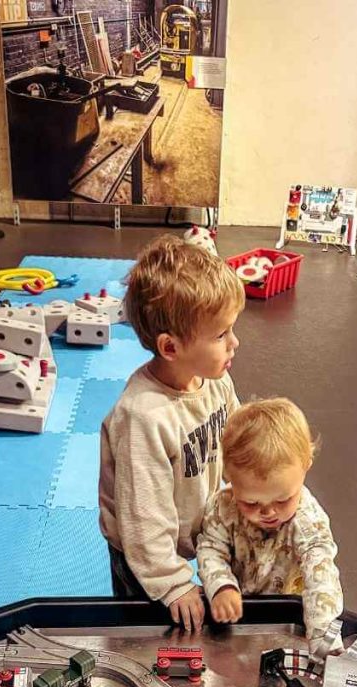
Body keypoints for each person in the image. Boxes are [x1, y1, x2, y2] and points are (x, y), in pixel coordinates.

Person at [99, 234, 245, 631]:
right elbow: (142, 518)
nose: (235, 343)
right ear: (170, 347)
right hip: (141, 552)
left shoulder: (214, 380)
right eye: (220, 335)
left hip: (192, 527)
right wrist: (174, 583)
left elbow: (236, 443)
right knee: (146, 632)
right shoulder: (143, 416)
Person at [196, 398, 343, 654]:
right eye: (251, 502)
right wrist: (221, 585)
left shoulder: (308, 521)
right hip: (237, 613)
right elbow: (210, 548)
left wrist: (323, 636)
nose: (267, 512)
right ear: (228, 475)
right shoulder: (222, 506)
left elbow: (322, 579)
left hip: (288, 612)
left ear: (306, 465)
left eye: (283, 499)